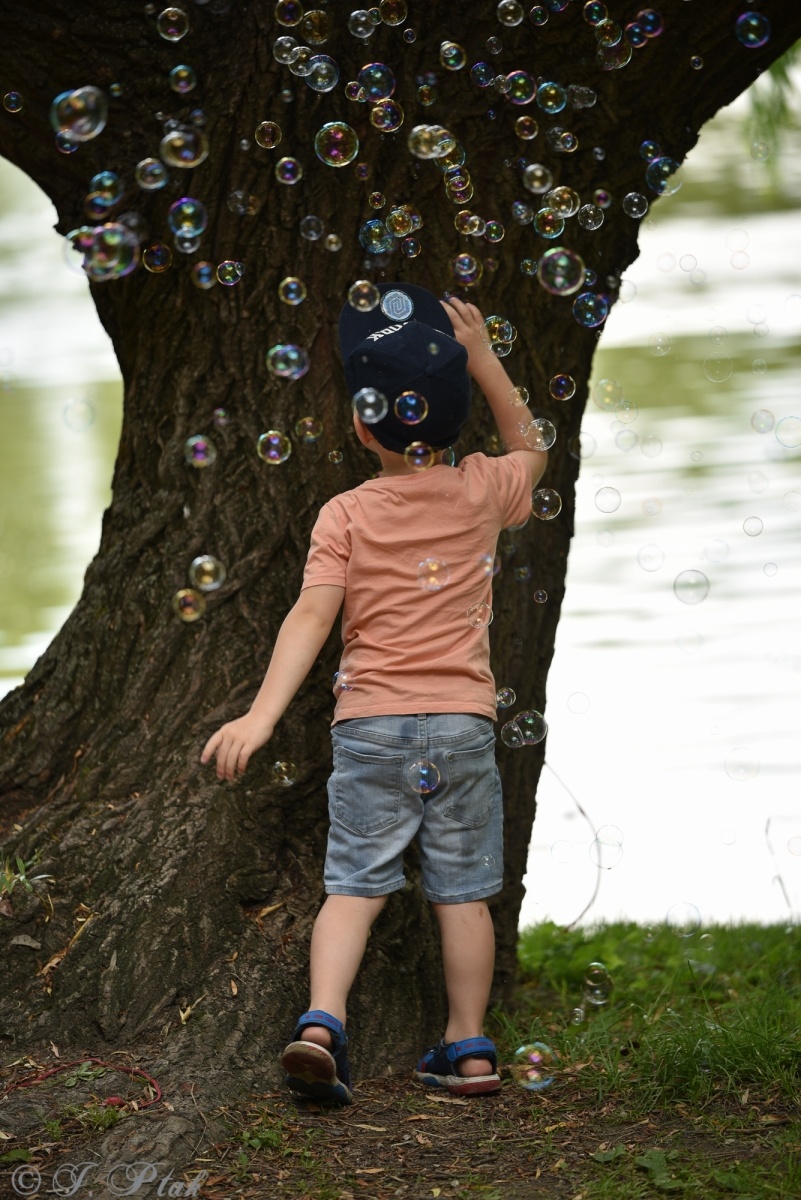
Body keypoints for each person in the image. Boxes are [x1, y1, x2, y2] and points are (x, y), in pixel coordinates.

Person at [201, 284, 547, 1103]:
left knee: (353, 888)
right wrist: (484, 359)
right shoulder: (482, 489)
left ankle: (322, 1024)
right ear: (457, 422)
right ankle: (470, 1050)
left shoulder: (345, 514)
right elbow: (530, 446)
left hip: (370, 727)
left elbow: (310, 615)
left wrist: (261, 715)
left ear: (361, 427)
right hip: (462, 727)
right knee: (463, 896)